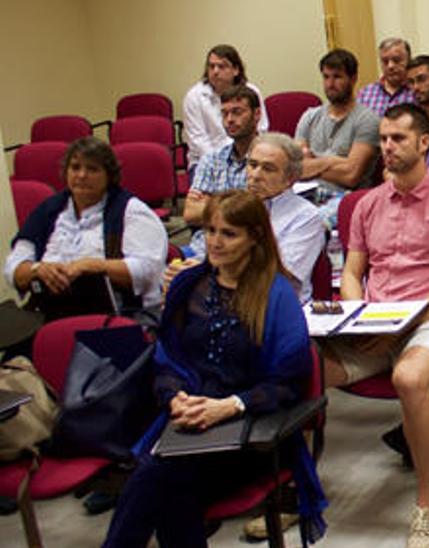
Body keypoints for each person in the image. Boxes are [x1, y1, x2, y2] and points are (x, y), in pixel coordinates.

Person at [101, 191, 325, 547]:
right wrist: (175, 397)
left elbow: (288, 384)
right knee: (171, 491)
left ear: (255, 237)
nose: (215, 242)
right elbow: (166, 359)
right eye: (210, 231)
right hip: (189, 421)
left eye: (228, 233)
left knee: (155, 479)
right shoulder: (191, 286)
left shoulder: (277, 295)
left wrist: (229, 405)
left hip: (252, 431)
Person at [320, 104, 429, 548]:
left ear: (424, 143)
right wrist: (357, 317)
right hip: (374, 322)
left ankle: (427, 505)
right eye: (384, 138)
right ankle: (299, 491)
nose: (386, 147)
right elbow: (351, 273)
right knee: (301, 365)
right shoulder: (367, 204)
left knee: (409, 377)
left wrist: (402, 324)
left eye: (397, 139)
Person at [6, 137, 166, 320]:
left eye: (92, 169)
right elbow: (13, 269)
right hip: (50, 312)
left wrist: (94, 266)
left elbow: (148, 270)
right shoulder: (48, 211)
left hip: (118, 314)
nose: (81, 175)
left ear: (109, 175)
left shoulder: (131, 211)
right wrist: (37, 269)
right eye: (75, 167)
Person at [167, 133, 325, 303]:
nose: (255, 175)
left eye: (268, 168)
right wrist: (186, 272)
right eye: (252, 165)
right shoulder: (235, 206)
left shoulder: (305, 216)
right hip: (222, 298)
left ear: (290, 179)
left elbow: (281, 276)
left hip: (273, 305)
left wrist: (203, 273)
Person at [295, 49, 380, 228]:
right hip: (305, 194)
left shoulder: (367, 120)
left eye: (337, 77)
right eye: (326, 77)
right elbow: (296, 168)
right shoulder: (310, 116)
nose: (330, 83)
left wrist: (314, 162)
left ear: (353, 78)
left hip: (345, 199)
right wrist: (334, 162)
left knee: (306, 225)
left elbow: (351, 176)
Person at [181, 84, 261, 259]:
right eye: (224, 113)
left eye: (237, 112)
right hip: (202, 246)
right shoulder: (211, 160)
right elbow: (190, 213)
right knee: (167, 274)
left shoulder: (267, 160)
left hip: (245, 252)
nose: (230, 119)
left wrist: (210, 202)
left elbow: (258, 215)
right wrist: (237, 206)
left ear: (256, 115)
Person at [183, 44, 269, 169]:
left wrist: (244, 158)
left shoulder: (251, 92)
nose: (215, 71)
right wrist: (223, 163)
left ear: (236, 70)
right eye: (211, 66)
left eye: (222, 66)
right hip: (205, 161)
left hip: (248, 157)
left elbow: (261, 129)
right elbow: (198, 140)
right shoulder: (194, 96)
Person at [356, 37, 416, 116]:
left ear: (409, 60)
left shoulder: (417, 91)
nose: (390, 66)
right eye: (385, 61)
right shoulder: (365, 94)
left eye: (396, 60)